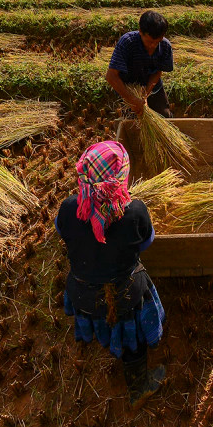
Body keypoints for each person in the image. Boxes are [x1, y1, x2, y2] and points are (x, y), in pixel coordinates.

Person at [55, 141, 167, 406]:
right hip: (124, 295)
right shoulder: (135, 210)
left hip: (83, 293)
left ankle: (103, 337)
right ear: (121, 179)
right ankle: (139, 387)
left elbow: (62, 233)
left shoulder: (70, 208)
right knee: (133, 339)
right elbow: (146, 242)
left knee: (99, 315)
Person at [106, 10, 174, 117]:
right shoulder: (127, 43)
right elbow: (111, 76)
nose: (153, 46)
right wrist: (132, 99)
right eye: (150, 41)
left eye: (157, 41)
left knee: (164, 115)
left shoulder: (165, 46)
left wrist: (145, 94)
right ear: (140, 32)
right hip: (128, 88)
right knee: (133, 120)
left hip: (152, 87)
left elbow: (157, 72)